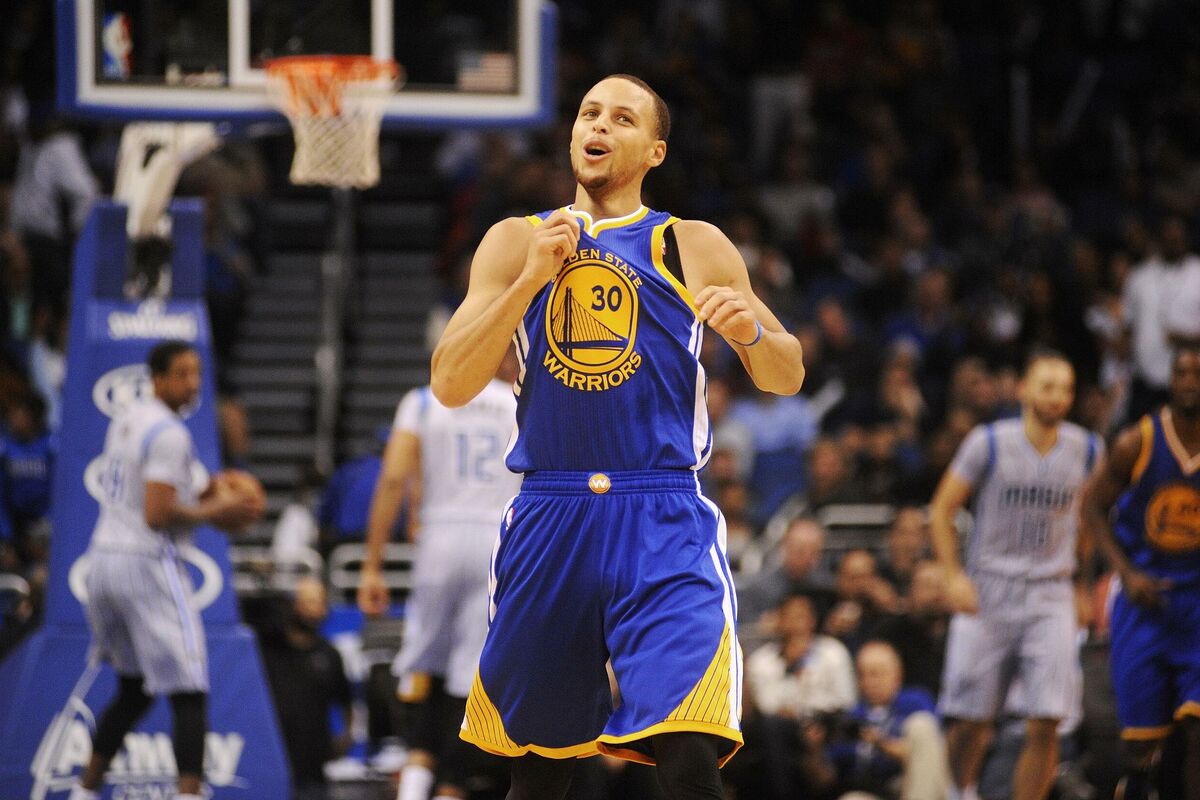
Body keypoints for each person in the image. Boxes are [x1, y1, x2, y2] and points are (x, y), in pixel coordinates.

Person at [429, 74, 805, 800]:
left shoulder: (691, 243)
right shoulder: (516, 240)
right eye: (588, 113)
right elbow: (448, 381)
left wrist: (752, 334)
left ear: (655, 151)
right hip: (551, 512)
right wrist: (528, 282)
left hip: (661, 513)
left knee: (689, 752)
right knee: (539, 773)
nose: (598, 125)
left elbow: (786, 373)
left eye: (622, 118)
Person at [68, 340, 263, 800]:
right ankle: (188, 794)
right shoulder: (171, 434)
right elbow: (158, 514)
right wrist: (219, 510)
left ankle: (84, 791)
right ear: (157, 379)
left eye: (197, 373)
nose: (193, 384)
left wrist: (214, 491)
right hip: (146, 562)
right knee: (190, 687)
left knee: (134, 688)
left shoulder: (128, 418)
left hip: (103, 559)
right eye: (182, 374)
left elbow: (179, 483)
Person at [929, 350, 1101, 800]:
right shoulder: (987, 442)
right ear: (1023, 389)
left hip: (1051, 591)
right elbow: (942, 509)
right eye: (1048, 386)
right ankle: (960, 792)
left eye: (1066, 388)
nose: (1058, 397)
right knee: (972, 719)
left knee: (1047, 719)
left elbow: (1088, 524)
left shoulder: (1088, 449)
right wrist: (952, 575)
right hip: (989, 587)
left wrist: (1081, 588)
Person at [358, 352, 522, 800]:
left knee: (422, 662)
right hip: (498, 539)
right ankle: (451, 786)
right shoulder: (517, 402)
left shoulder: (422, 401)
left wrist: (372, 565)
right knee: (469, 674)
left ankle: (414, 777)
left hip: (439, 537)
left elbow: (393, 479)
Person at [1079, 346, 1200, 800]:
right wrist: (1125, 573)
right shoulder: (1138, 441)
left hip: (1197, 605)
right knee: (1141, 750)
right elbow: (1092, 507)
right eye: (1181, 372)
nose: (1189, 381)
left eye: (1197, 373)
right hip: (1145, 602)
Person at [258, 576, 354, 800]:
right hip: (273, 760)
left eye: (321, 603)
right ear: (295, 605)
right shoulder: (270, 649)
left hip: (314, 768)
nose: (316, 610)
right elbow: (256, 610)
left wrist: (346, 737)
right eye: (309, 602)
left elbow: (345, 701)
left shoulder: (329, 654)